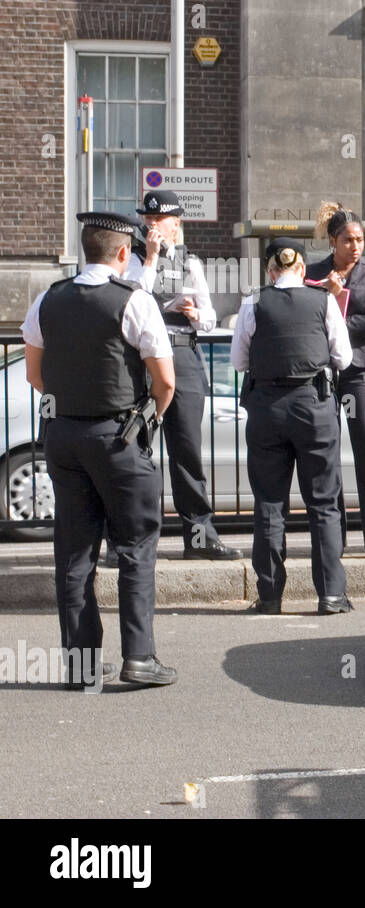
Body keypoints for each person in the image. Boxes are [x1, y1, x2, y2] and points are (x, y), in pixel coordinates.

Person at [22, 210, 178, 687]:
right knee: (134, 547)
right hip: (118, 439)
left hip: (64, 438)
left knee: (74, 552)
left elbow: (34, 375)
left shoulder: (48, 299)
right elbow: (165, 381)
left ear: (86, 248)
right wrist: (148, 419)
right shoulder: (135, 301)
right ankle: (139, 659)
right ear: (124, 253)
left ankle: (81, 664)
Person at [113, 190, 242, 562]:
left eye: (159, 220)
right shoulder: (133, 260)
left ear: (176, 224)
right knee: (133, 450)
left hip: (182, 354)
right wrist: (151, 258)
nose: (152, 225)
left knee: (187, 452)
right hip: (142, 359)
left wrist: (193, 314)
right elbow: (134, 298)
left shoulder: (191, 262)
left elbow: (211, 317)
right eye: (147, 219)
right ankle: (128, 539)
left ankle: (199, 537)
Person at [231, 238, 353, 616]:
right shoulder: (323, 301)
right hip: (314, 407)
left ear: (270, 271)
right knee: (323, 504)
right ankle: (330, 595)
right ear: (302, 269)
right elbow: (343, 358)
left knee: (269, 503)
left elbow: (238, 362)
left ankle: (269, 596)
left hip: (266, 408)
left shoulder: (253, 302)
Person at [306, 202, 365, 561]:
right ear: (333, 241)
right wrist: (329, 301)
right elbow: (306, 319)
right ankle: (333, 540)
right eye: (348, 240)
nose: (356, 246)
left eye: (360, 239)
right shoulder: (313, 273)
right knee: (325, 452)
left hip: (360, 370)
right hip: (324, 371)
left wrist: (333, 315)